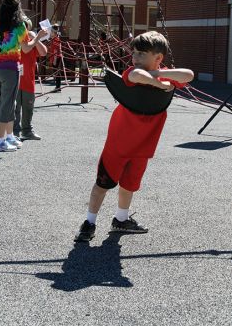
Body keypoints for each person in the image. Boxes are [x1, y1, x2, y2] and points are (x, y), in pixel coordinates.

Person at [74, 31, 194, 242]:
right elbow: (136, 76)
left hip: (144, 145)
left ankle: (121, 219)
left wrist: (159, 75)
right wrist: (160, 83)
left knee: (130, 184)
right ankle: (89, 222)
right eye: (134, 53)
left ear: (158, 58)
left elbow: (189, 75)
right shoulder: (133, 72)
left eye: (141, 54)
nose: (135, 58)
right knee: (103, 184)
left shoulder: (163, 73)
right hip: (119, 143)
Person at [0, 0, 48, 152]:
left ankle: (9, 136)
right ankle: (0, 140)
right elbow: (27, 48)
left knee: (9, 103)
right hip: (10, 69)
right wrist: (37, 38)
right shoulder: (19, 26)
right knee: (6, 104)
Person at [13, 18, 47, 140]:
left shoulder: (32, 40)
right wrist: (36, 38)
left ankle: (27, 131)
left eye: (25, 27)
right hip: (15, 79)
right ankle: (14, 133)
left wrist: (35, 38)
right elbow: (25, 48)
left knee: (28, 107)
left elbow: (44, 52)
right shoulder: (15, 39)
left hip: (28, 81)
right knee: (15, 108)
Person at [49, 24, 63, 92]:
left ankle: (58, 87)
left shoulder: (56, 39)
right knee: (56, 72)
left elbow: (55, 51)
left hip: (56, 57)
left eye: (51, 32)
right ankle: (57, 86)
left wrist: (54, 60)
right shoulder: (54, 39)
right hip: (56, 57)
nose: (50, 33)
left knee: (57, 72)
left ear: (54, 32)